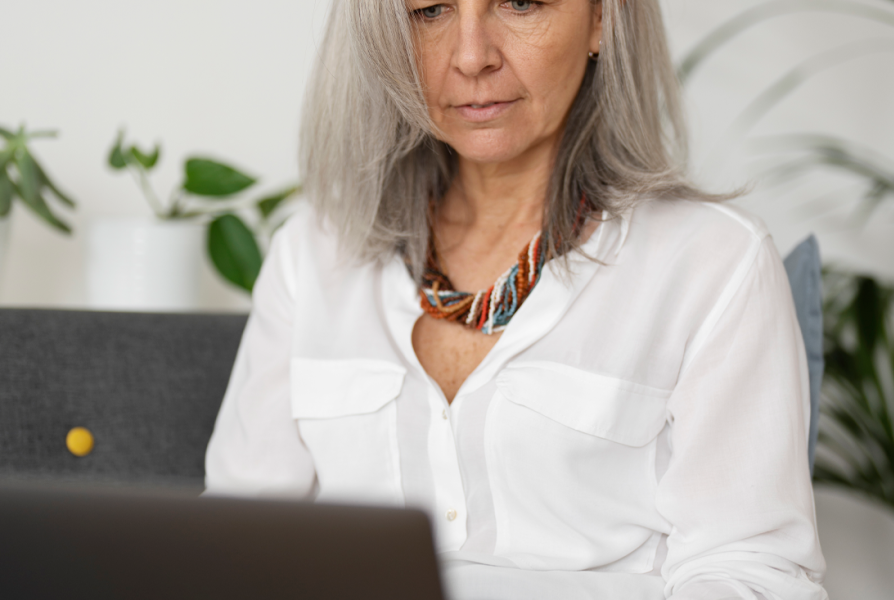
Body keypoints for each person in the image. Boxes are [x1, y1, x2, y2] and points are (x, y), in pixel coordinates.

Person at [205, 1, 828, 598]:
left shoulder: (714, 262)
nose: (472, 56)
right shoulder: (311, 254)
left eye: (522, 3)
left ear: (602, 18)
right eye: (430, 11)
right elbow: (234, 543)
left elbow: (750, 573)